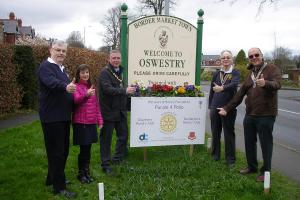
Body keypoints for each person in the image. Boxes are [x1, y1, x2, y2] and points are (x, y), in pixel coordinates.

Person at [218, 47, 281, 182]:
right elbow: (240, 94)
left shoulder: (272, 69)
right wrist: (227, 108)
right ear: (249, 59)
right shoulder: (251, 73)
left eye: (256, 55)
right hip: (250, 114)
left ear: (261, 55)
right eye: (251, 56)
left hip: (266, 114)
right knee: (249, 142)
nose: (254, 58)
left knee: (266, 144)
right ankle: (252, 167)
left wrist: (266, 83)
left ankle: (265, 172)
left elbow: (277, 84)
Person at [37, 40, 76, 198]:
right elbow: (51, 83)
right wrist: (65, 86)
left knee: (63, 150)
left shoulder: (62, 69)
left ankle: (52, 178)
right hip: (52, 117)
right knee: (57, 152)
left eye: (64, 51)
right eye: (58, 50)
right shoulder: (45, 67)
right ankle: (59, 188)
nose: (61, 53)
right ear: (50, 50)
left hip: (63, 116)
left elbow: (65, 89)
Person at [98, 50, 135, 174]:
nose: (116, 60)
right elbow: (108, 90)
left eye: (118, 58)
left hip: (121, 110)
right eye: (113, 58)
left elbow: (121, 88)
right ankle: (105, 164)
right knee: (106, 139)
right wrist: (125, 91)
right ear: (109, 59)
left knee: (123, 135)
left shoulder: (120, 72)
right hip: (108, 111)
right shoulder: (104, 73)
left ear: (121, 59)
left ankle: (118, 159)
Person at [72, 64, 103, 183]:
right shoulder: (75, 86)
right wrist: (86, 95)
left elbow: (97, 107)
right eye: (83, 72)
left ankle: (86, 172)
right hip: (81, 123)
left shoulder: (92, 87)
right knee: (83, 149)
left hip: (91, 123)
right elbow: (76, 101)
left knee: (88, 149)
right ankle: (81, 174)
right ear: (78, 74)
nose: (85, 75)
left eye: (87, 72)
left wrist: (100, 121)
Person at [208, 50, 240, 166]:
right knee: (215, 132)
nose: (225, 59)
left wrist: (222, 88)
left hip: (228, 108)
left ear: (232, 60)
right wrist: (210, 106)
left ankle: (230, 160)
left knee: (228, 134)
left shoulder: (235, 72)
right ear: (220, 60)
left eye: (228, 57)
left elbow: (234, 85)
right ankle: (215, 155)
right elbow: (212, 90)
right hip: (215, 107)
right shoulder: (217, 74)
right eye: (223, 58)